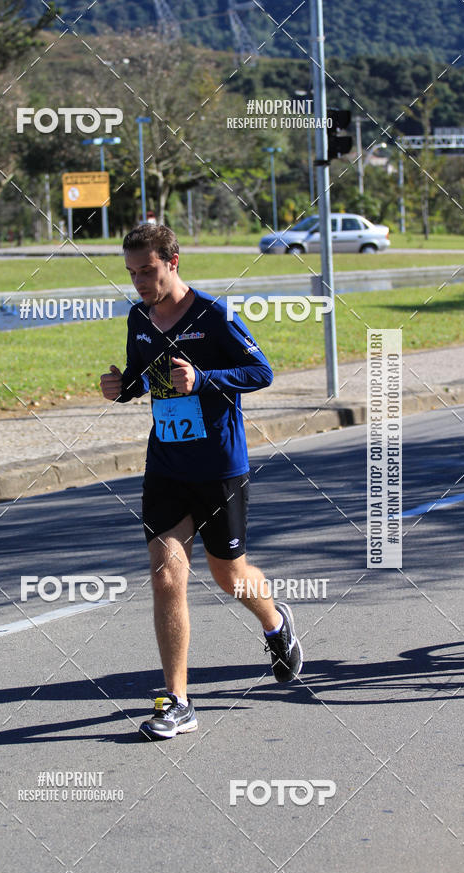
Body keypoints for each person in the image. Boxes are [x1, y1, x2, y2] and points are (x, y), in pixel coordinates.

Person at [100, 224, 303, 740]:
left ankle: (275, 622)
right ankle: (177, 702)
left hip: (218, 466)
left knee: (229, 575)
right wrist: (122, 387)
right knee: (168, 576)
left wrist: (206, 379)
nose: (140, 282)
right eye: (131, 273)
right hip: (166, 467)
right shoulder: (138, 317)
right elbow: (145, 375)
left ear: (172, 260)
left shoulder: (214, 315)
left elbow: (262, 372)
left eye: (147, 270)